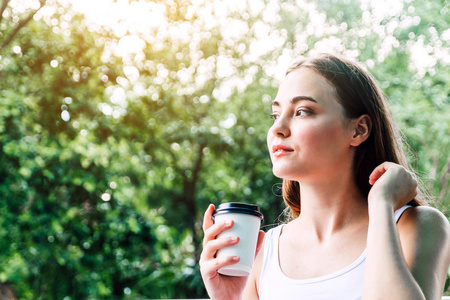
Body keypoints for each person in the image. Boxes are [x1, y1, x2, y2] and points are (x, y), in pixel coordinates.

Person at [199, 53, 450, 299]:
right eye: (275, 115)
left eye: (302, 111)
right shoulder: (262, 253)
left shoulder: (417, 226)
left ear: (358, 129)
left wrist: (382, 203)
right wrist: (229, 299)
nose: (277, 128)